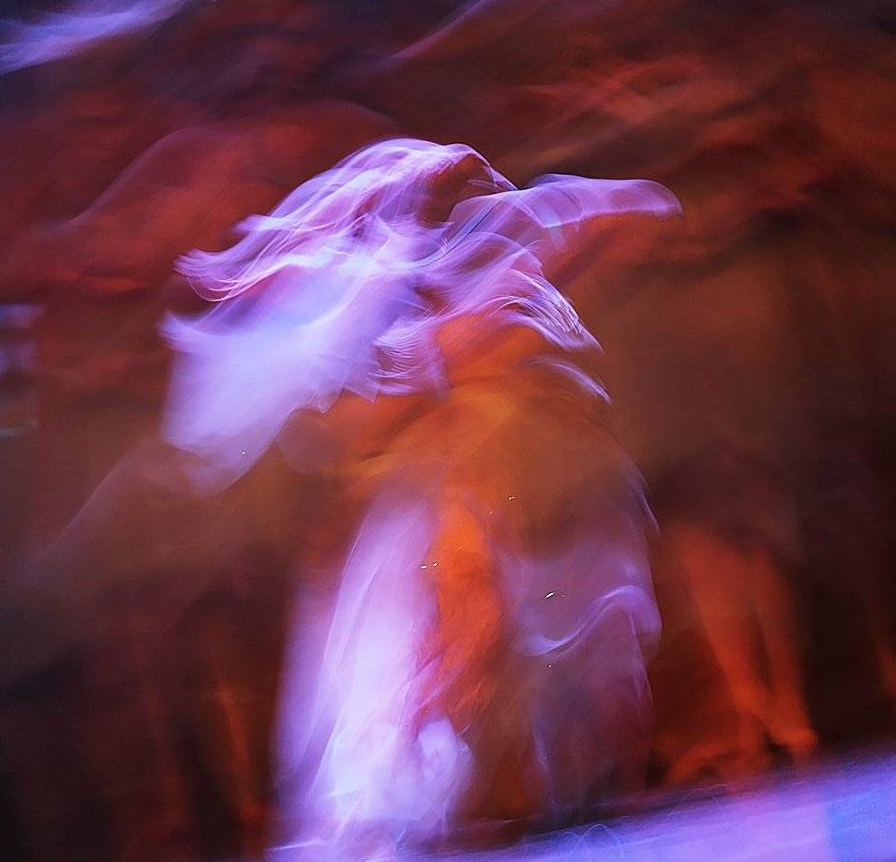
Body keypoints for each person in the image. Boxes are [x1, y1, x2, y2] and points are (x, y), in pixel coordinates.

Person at [159, 138, 676, 855]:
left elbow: (631, 212)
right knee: (405, 708)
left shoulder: (465, 305)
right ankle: (423, 807)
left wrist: (528, 243)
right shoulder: (389, 347)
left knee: (507, 680)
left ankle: (524, 797)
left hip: (495, 510)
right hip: (433, 528)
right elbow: (351, 432)